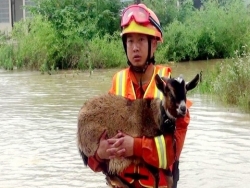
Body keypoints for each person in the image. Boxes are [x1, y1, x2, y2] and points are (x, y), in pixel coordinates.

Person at [87, 3, 191, 188]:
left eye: (141, 40)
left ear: (154, 44)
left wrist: (135, 146)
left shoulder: (173, 94)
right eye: (130, 41)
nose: (135, 47)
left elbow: (171, 154)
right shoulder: (116, 85)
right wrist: (99, 153)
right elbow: (93, 157)